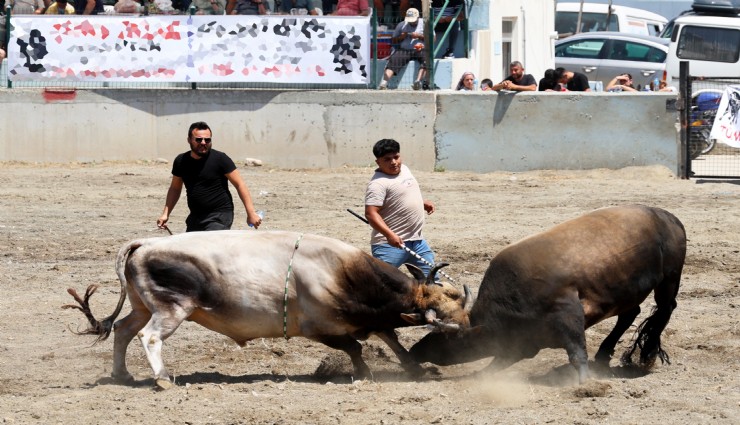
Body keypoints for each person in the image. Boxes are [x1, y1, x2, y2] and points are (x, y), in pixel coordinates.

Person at [157, 121, 262, 232]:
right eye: (199, 139)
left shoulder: (220, 159)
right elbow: (175, 188)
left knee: (210, 245)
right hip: (195, 216)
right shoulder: (181, 161)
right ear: (189, 140)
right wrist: (165, 214)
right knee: (193, 247)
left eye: (207, 140)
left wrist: (251, 213)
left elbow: (240, 184)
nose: (203, 143)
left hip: (219, 215)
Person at [364, 138, 436, 276]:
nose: (393, 162)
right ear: (378, 162)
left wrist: (422, 202)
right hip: (389, 245)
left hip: (417, 241)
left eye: (396, 157)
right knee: (382, 286)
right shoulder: (378, 184)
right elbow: (371, 213)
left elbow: (403, 193)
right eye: (387, 159)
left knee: (432, 283)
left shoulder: (405, 170)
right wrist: (390, 235)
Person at [378, 8, 426, 90]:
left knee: (426, 60)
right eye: (410, 20)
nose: (411, 22)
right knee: (395, 59)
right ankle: (384, 82)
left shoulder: (425, 24)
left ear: (418, 17)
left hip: (420, 49)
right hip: (405, 49)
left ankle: (418, 81)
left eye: (413, 21)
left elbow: (433, 39)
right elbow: (393, 40)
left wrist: (419, 36)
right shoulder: (402, 24)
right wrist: (401, 37)